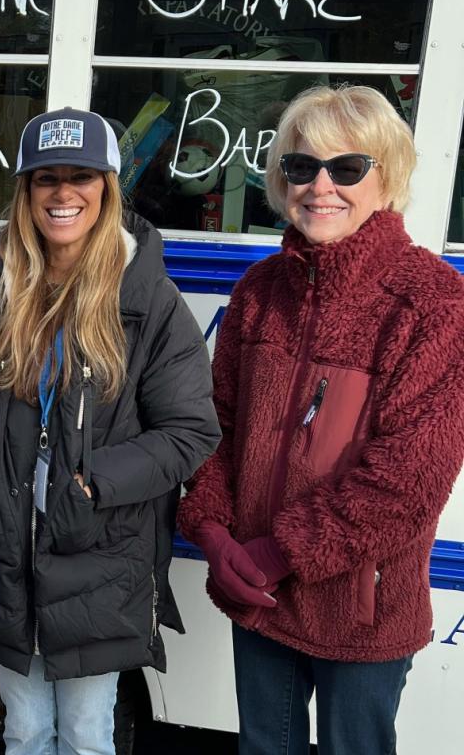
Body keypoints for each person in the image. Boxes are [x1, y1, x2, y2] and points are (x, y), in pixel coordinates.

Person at [0, 107, 221, 755]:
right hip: (7, 554)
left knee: (87, 737)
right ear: (26, 193)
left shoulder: (147, 301)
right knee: (26, 732)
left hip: (101, 556)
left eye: (80, 177)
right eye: (45, 178)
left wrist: (92, 487)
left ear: (107, 188)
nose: (63, 194)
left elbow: (189, 429)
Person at [178, 84, 464, 755]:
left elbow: (409, 478)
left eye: (347, 168)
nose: (320, 186)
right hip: (257, 593)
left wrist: (278, 552)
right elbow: (216, 428)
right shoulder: (258, 293)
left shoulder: (433, 302)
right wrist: (217, 537)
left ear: (386, 175)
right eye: (302, 168)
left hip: (360, 611)